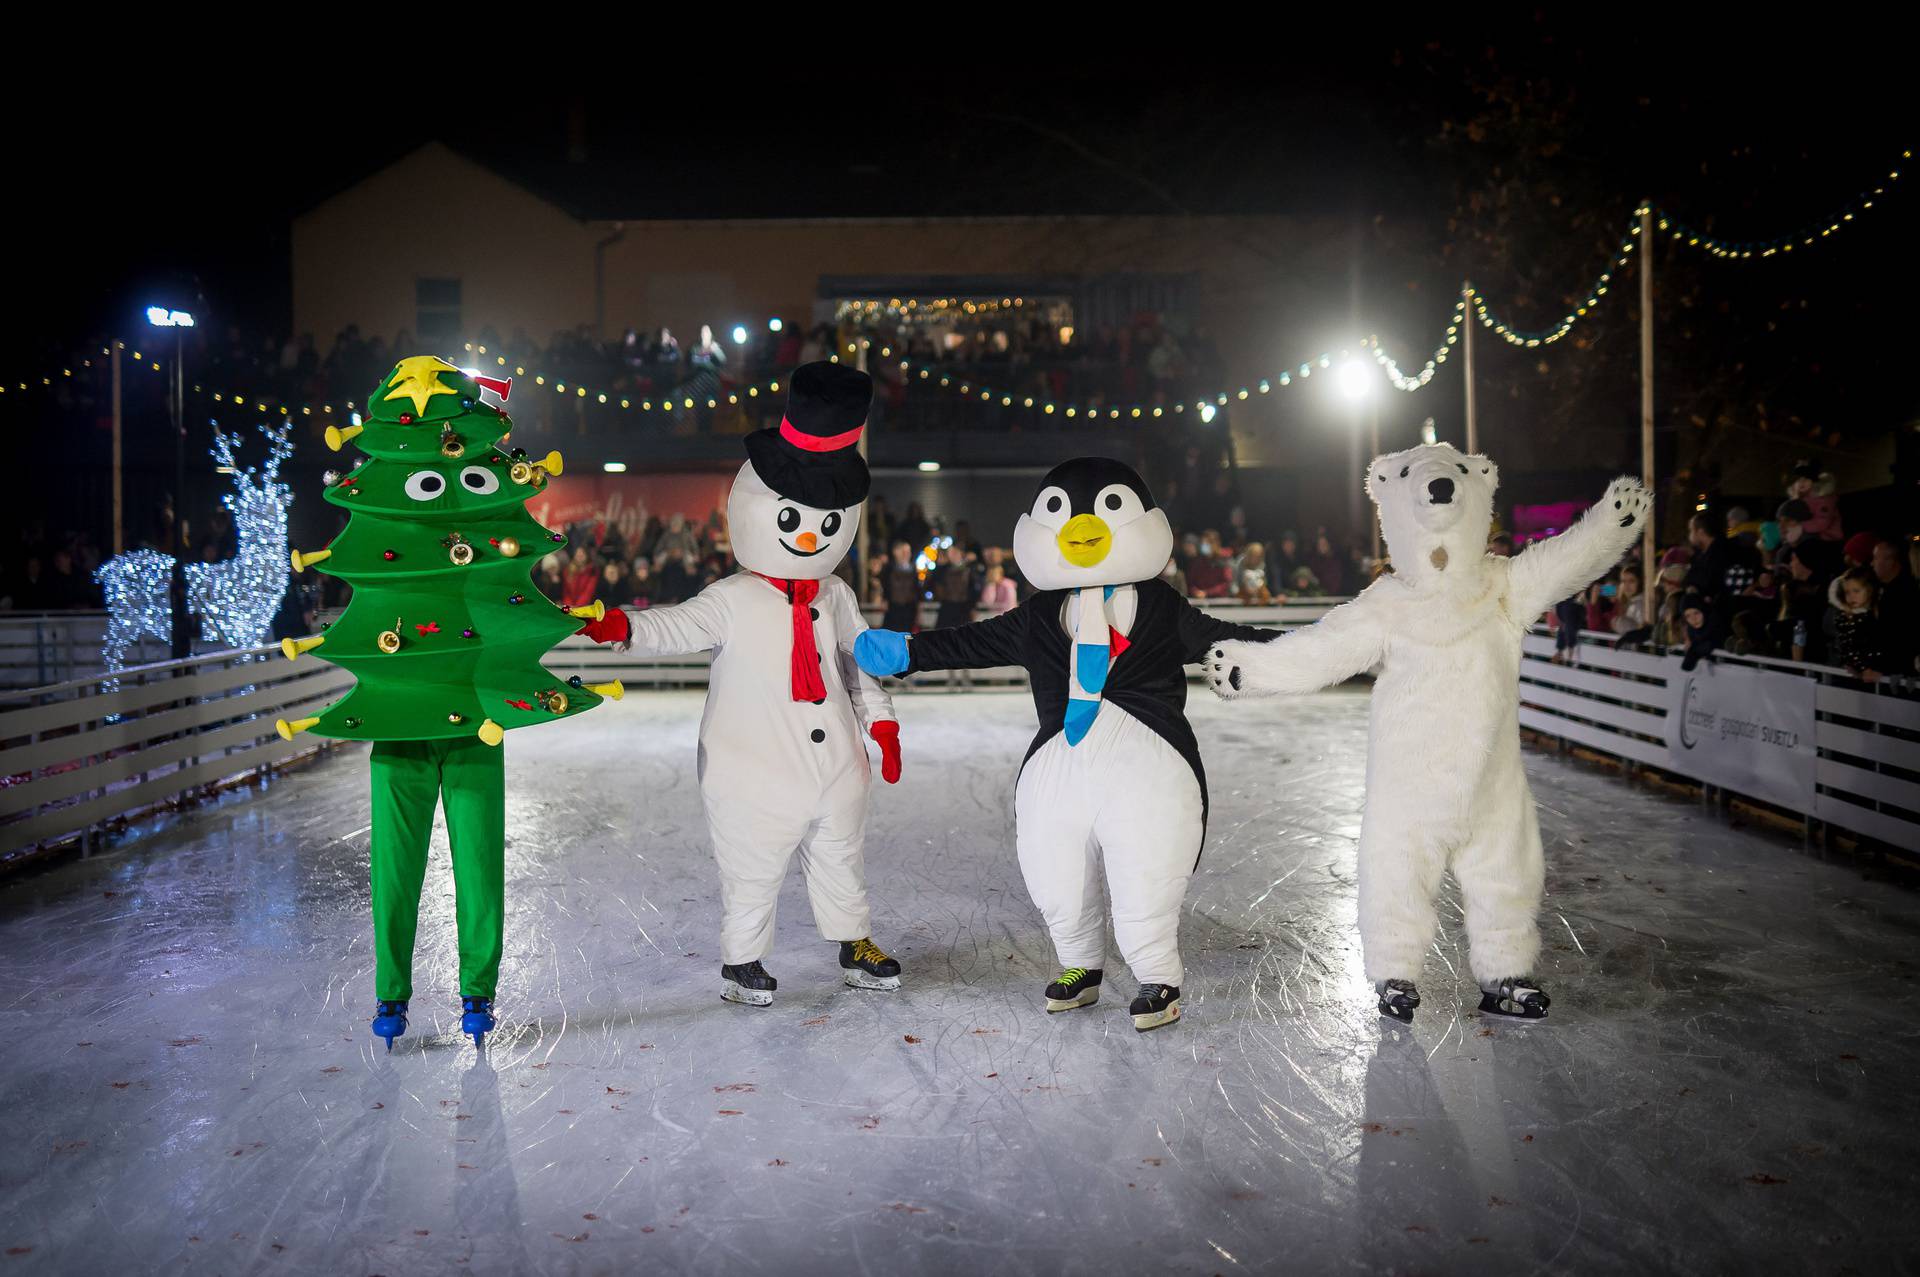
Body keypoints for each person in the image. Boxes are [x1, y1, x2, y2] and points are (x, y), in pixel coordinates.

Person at [855, 458, 1284, 1032]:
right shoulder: (1038, 616)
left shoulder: (1161, 608)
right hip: (1059, 766)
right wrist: (908, 651)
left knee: (1146, 874)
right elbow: (971, 642)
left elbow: (1230, 640)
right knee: (1055, 873)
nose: (1086, 530)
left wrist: (1315, 649)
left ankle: (1158, 976)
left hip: (1149, 767)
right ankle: (1080, 965)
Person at [612, 362, 905, 1006]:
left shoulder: (836, 593)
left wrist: (880, 723)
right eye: (794, 518)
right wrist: (621, 627)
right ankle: (743, 962)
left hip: (835, 762)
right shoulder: (734, 598)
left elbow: (862, 665)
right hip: (751, 765)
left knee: (840, 856)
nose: (807, 534)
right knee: (752, 865)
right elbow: (674, 626)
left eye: (826, 523)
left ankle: (853, 942)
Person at [1870, 537, 1919, 674]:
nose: (1871, 563)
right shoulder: (1878, 589)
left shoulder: (1905, 592)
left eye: (1875, 558)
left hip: (1897, 672)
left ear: (1890, 562)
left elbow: (1901, 634)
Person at [881, 541, 921, 632]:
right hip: (894, 608)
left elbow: (917, 589)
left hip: (909, 608)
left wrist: (918, 607)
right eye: (903, 551)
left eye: (908, 552)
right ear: (896, 552)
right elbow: (886, 586)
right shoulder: (889, 569)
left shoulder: (913, 569)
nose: (906, 554)